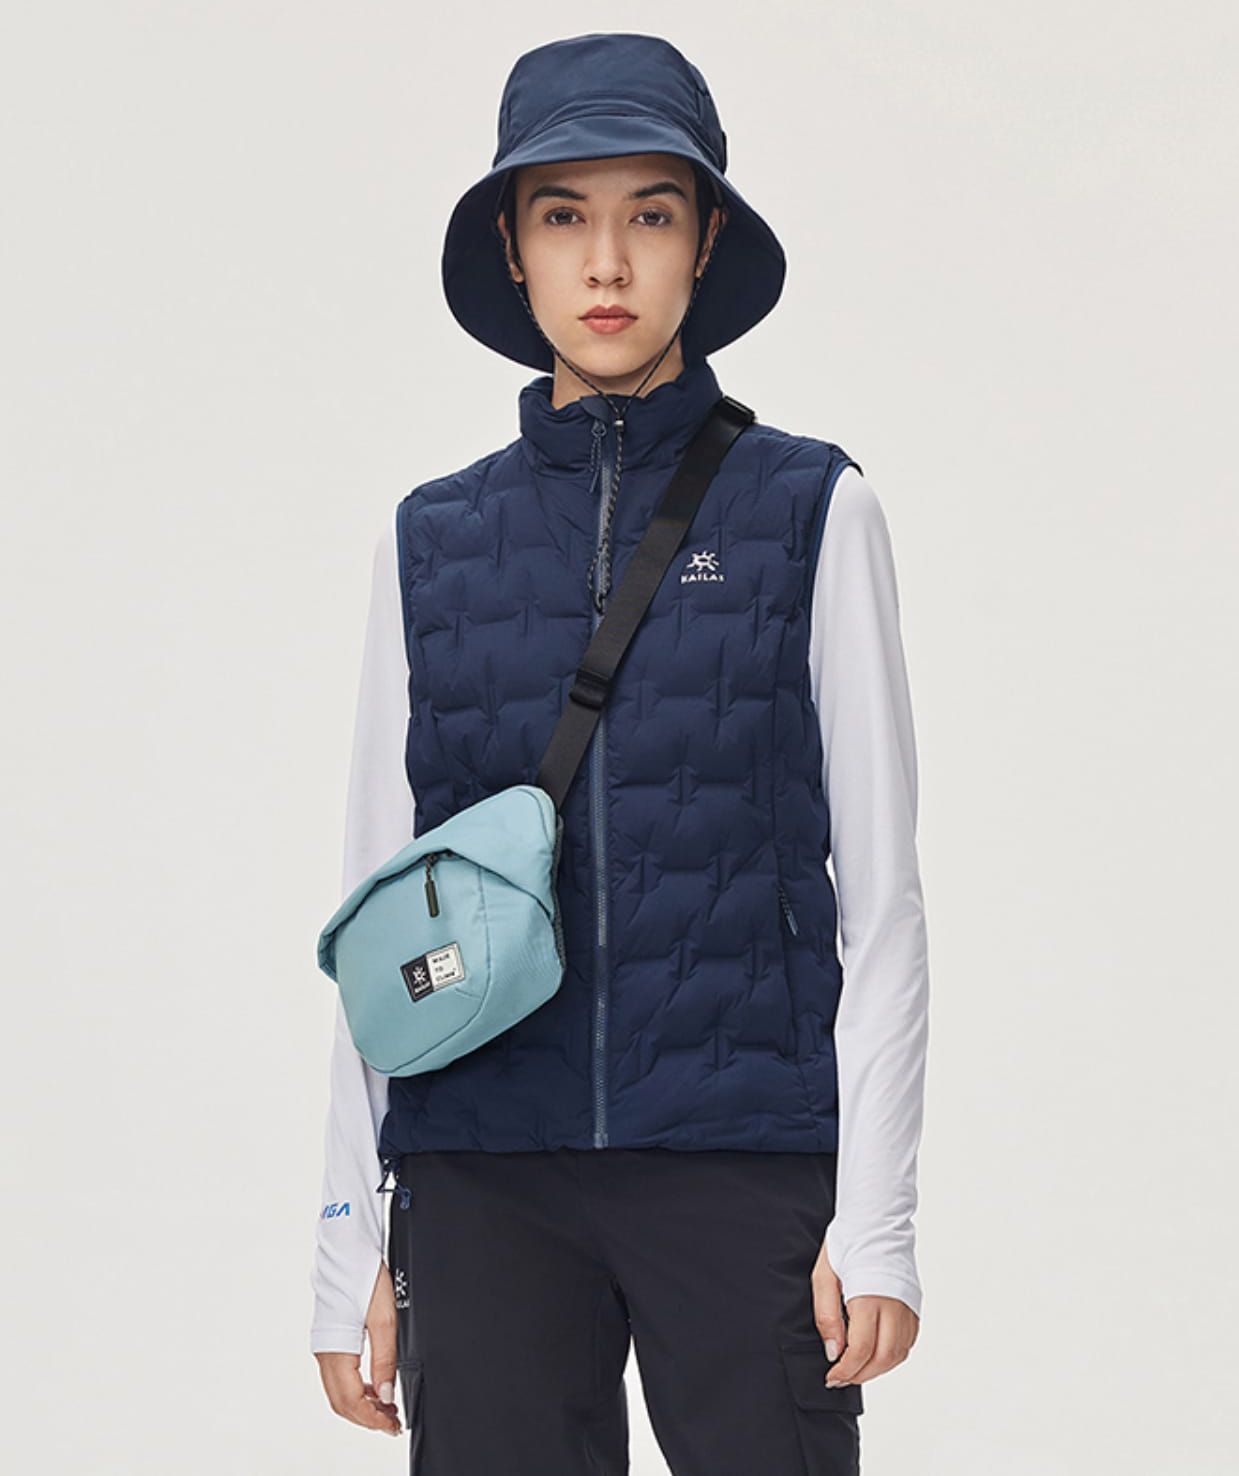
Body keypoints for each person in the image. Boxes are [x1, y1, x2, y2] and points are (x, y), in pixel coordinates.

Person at [310, 31, 930, 1476]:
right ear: (513, 250)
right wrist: (350, 1243)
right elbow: (375, 916)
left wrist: (880, 1217)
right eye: (562, 216)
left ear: (703, 242)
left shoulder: (813, 509)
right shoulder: (431, 540)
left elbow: (884, 901)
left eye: (650, 214)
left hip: (742, 1160)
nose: (606, 264)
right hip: (482, 1172)